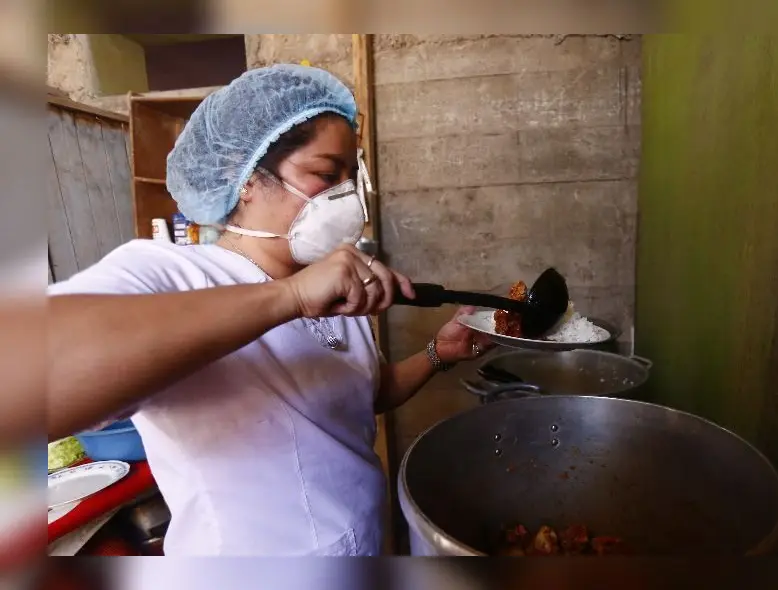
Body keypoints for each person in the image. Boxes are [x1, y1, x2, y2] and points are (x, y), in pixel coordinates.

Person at [46, 64, 493, 556]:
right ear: (247, 179)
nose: (346, 197)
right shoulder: (172, 274)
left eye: (351, 177)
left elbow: (360, 396)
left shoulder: (335, 281)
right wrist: (291, 298)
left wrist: (438, 352)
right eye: (327, 175)